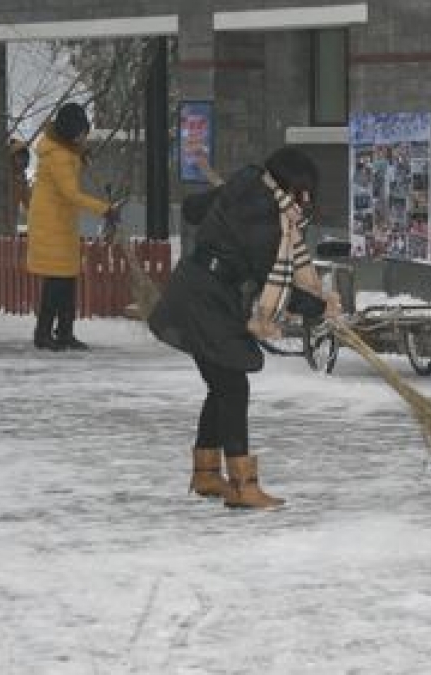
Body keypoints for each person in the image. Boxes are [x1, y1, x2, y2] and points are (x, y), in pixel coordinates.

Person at [147, 147, 340, 508]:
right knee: (232, 387)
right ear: (292, 186)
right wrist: (319, 306)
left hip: (200, 289)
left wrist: (223, 203)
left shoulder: (248, 185)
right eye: (304, 193)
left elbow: (192, 210)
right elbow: (274, 285)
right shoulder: (264, 214)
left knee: (222, 385)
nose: (305, 202)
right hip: (206, 299)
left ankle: (206, 473)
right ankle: (242, 486)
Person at [26, 102, 116, 351]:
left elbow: (71, 166)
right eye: (79, 133)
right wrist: (104, 209)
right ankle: (43, 334)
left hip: (61, 222)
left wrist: (81, 155)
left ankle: (65, 332)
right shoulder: (58, 156)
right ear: (68, 131)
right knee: (56, 281)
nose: (82, 137)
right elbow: (71, 194)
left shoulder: (66, 150)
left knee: (67, 279)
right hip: (50, 223)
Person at [8, 137, 32, 235]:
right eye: (19, 157)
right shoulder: (7, 176)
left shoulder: (21, 178)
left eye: (24, 157)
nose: (22, 160)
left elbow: (29, 202)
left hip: (11, 225)